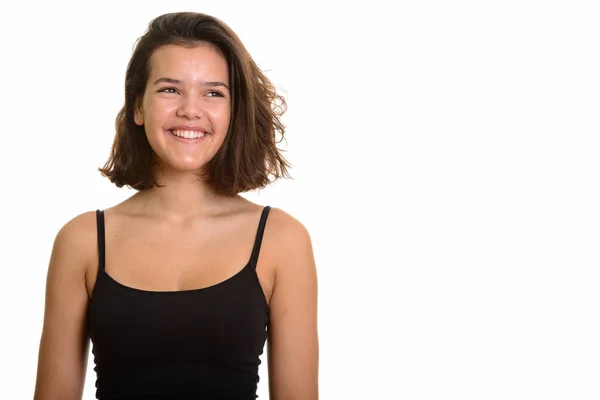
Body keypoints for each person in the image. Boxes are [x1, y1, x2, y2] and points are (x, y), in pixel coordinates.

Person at [33, 11, 318, 400]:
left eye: (213, 92)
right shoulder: (81, 241)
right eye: (170, 89)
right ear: (137, 107)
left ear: (233, 113)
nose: (190, 109)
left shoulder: (281, 240)